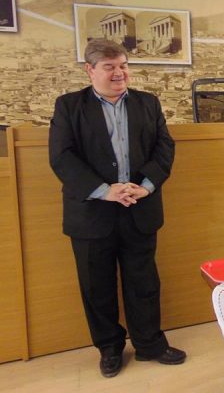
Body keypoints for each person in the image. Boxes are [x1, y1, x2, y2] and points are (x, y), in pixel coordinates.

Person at [48, 39, 185, 379]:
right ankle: (109, 348)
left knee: (144, 282)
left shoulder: (147, 103)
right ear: (90, 70)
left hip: (139, 207)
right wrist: (105, 191)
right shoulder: (69, 106)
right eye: (109, 67)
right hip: (92, 213)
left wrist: (146, 185)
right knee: (97, 287)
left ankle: (149, 344)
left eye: (123, 65)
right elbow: (62, 157)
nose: (119, 73)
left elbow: (164, 147)